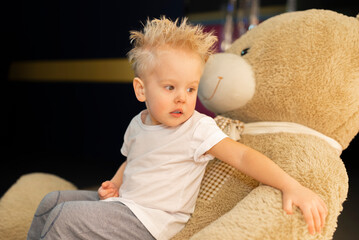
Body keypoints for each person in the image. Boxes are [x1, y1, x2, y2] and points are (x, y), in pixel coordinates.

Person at [27, 17, 327, 240]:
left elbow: (243, 158)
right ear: (141, 90)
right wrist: (115, 183)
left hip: (151, 221)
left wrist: (291, 185)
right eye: (170, 87)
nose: (182, 97)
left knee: (65, 218)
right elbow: (132, 160)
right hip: (125, 203)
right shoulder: (137, 124)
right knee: (52, 201)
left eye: (191, 88)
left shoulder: (198, 128)